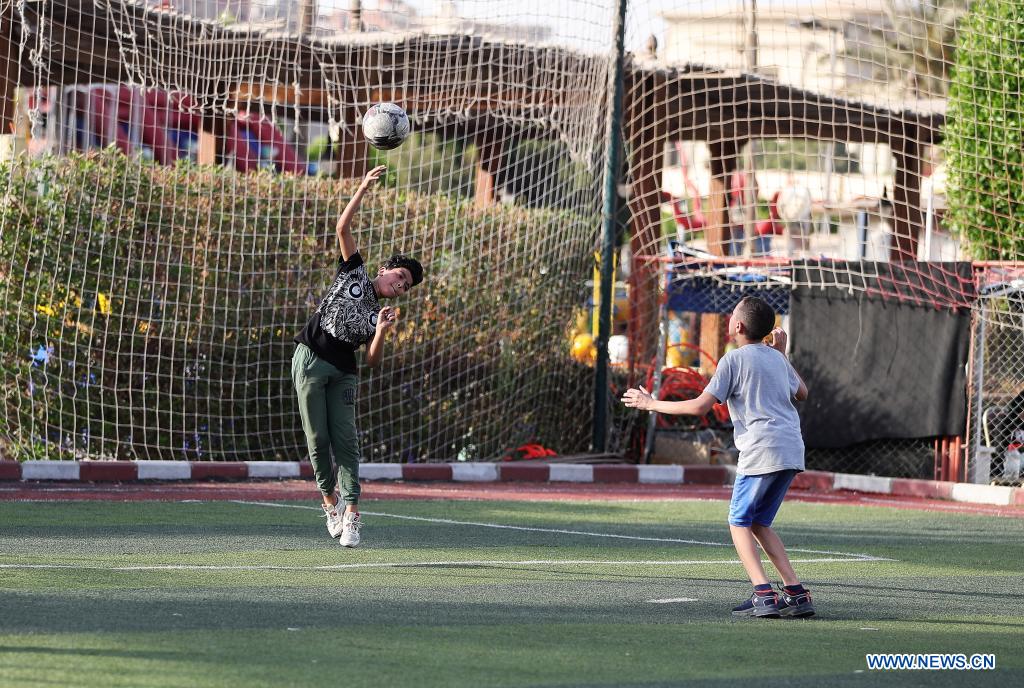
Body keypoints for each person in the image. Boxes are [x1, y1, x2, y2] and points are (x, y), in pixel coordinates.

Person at [621, 296, 814, 618]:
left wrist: (650, 404)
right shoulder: (778, 358)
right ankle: (796, 593)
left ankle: (763, 594)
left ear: (737, 326)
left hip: (761, 449)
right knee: (760, 523)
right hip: (791, 448)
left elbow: (699, 406)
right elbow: (803, 393)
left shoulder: (733, 361)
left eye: (732, 315)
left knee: (738, 521)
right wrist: (781, 353)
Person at [292, 165, 424, 547]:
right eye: (398, 276)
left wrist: (381, 332)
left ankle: (352, 514)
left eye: (405, 286)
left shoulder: (381, 315)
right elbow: (342, 229)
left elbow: (371, 361)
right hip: (311, 358)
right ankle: (330, 503)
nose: (399, 285)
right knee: (317, 440)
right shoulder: (354, 270)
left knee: (346, 441)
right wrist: (364, 187)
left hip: (344, 371)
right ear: (384, 269)